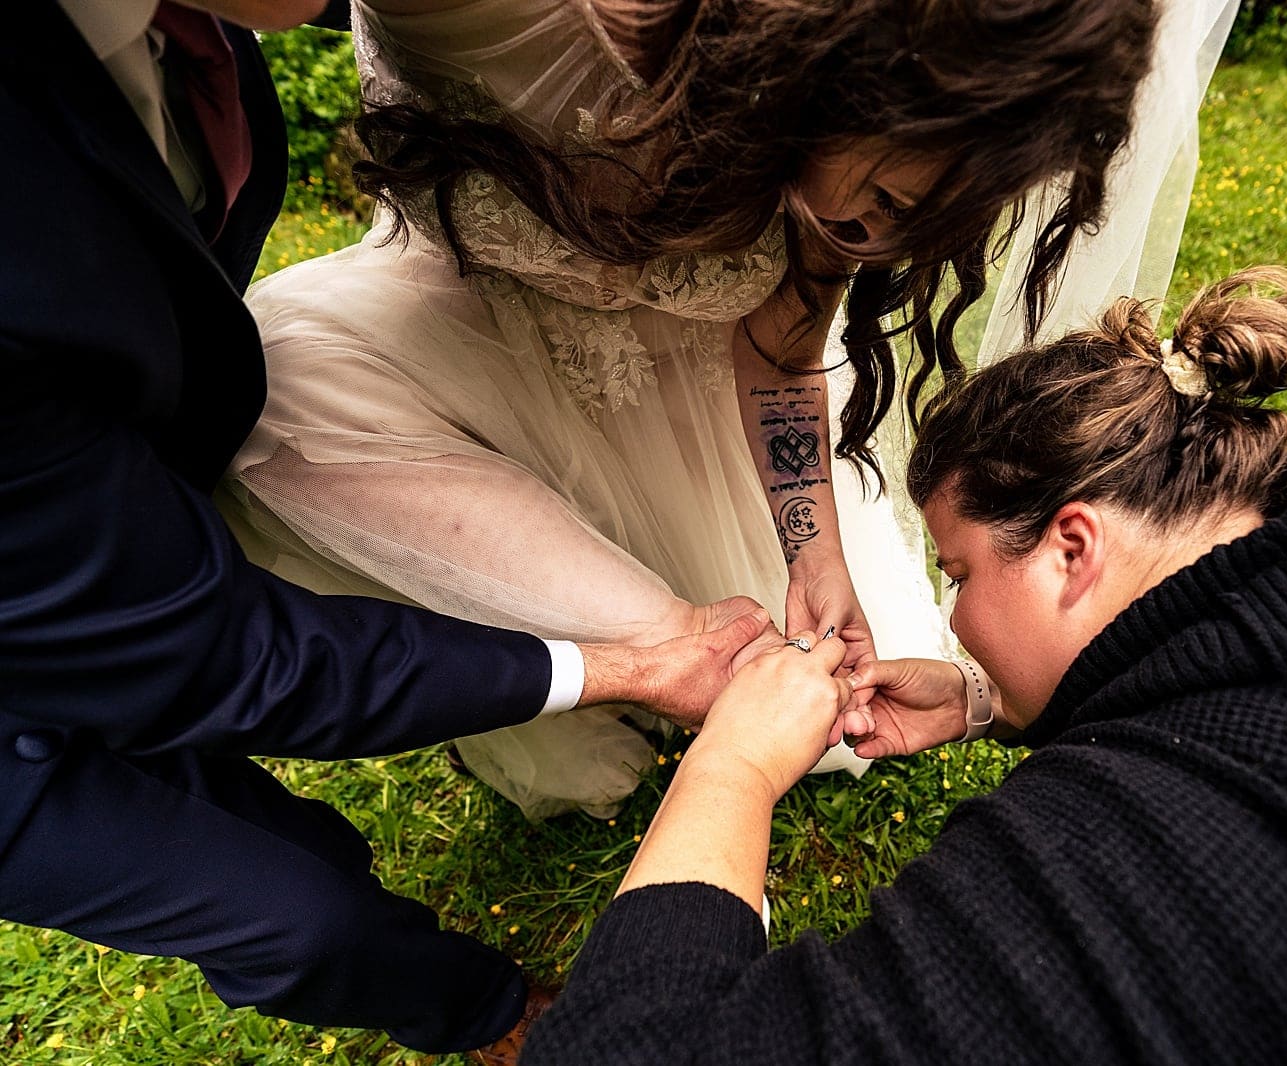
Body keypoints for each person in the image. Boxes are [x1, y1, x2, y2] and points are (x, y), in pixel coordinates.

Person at [522, 267, 1287, 1064]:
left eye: (956, 574)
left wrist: (732, 767)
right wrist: (989, 699)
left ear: (1072, 547)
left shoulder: (1119, 854)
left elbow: (627, 1048)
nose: (950, 614)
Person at [221, 0, 1239, 819]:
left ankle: (717, 657)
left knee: (835, 663)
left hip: (694, 376)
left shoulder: (888, 172)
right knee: (271, 388)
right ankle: (660, 648)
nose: (892, 236)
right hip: (468, 332)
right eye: (890, 198)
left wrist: (815, 551)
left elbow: (778, 343)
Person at [0, 3, 770, 1061]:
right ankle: (499, 1018)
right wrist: (618, 664)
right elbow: (220, 655)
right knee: (294, 917)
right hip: (73, 596)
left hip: (81, 526)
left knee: (289, 853)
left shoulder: (194, 36)